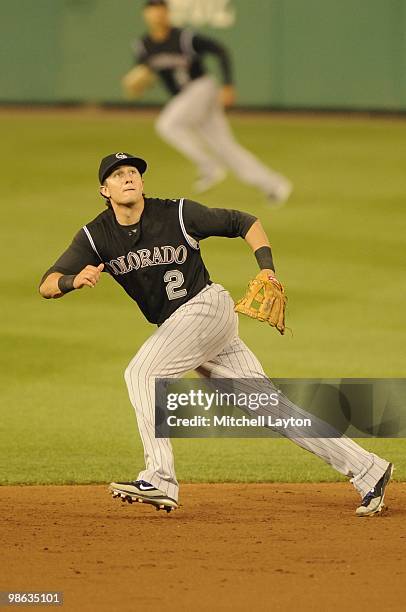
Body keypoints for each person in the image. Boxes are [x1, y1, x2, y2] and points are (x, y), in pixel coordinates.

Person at [39, 151, 392, 517]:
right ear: (104, 189)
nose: (128, 177)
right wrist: (72, 280)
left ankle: (160, 478)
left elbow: (245, 221)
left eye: (133, 172)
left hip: (206, 308)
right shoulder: (96, 236)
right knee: (270, 408)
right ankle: (370, 470)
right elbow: (46, 285)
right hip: (187, 330)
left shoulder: (176, 213)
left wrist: (267, 269)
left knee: (141, 372)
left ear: (142, 183)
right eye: (118, 174)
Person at [122, 0, 292, 204]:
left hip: (201, 88)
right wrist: (139, 85)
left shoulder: (184, 38)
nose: (157, 16)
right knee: (225, 147)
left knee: (167, 125)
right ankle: (275, 185)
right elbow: (145, 76)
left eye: (160, 11)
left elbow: (221, 50)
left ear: (167, 14)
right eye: (152, 12)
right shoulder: (143, 46)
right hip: (187, 99)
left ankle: (208, 165)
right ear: (146, 16)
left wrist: (228, 84)